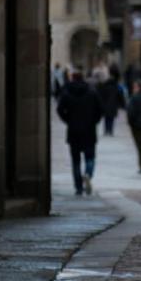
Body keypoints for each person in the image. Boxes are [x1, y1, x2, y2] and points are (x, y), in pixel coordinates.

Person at [57, 68, 104, 196]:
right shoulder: (92, 92)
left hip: (73, 131)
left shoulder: (67, 93)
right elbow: (100, 110)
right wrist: (94, 121)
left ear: (72, 78)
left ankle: (78, 187)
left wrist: (68, 120)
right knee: (90, 157)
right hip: (89, 130)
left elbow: (60, 110)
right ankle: (88, 174)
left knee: (76, 161)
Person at [96, 64, 126, 136]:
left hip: (105, 104)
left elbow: (101, 95)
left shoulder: (104, 86)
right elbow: (120, 96)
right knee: (111, 118)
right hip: (113, 105)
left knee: (106, 118)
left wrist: (100, 104)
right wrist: (123, 105)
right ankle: (110, 130)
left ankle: (106, 130)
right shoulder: (116, 87)